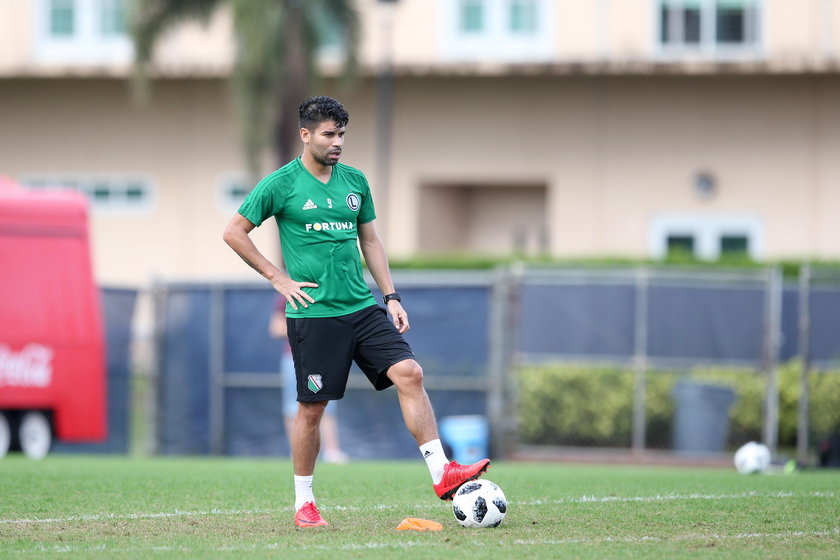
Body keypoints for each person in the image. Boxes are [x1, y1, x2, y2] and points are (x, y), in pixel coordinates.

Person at [223, 95, 490, 528]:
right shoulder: (280, 184)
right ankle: (304, 504)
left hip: (362, 308)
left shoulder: (355, 181)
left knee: (411, 374)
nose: (338, 142)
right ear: (305, 135)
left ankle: (442, 472)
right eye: (329, 134)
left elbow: (371, 242)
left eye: (342, 134)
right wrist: (278, 278)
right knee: (312, 410)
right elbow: (234, 232)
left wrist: (391, 296)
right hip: (314, 314)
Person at [268, 296, 348, 464]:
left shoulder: (327, 292)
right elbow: (276, 328)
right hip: (294, 359)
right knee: (293, 406)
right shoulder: (287, 295)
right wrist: (307, 328)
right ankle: (297, 451)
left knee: (326, 404)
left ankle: (332, 451)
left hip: (323, 358)